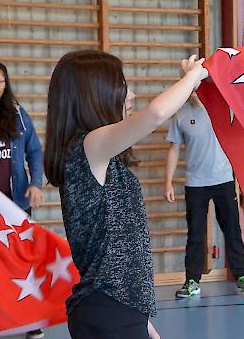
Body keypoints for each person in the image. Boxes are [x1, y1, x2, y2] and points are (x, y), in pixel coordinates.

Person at [44, 51, 205, 339]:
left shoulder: (100, 156)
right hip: (108, 311)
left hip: (119, 310)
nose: (131, 95)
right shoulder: (88, 147)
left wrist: (141, 319)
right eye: (123, 85)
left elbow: (119, 245)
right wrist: (193, 78)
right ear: (95, 93)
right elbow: (156, 113)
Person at [0, 61, 45, 339]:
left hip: (14, 204)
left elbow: (35, 152)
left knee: (22, 262)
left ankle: (31, 321)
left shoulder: (18, 116)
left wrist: (36, 184)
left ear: (6, 84)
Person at [163, 93, 244, 298]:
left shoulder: (225, 110)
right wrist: (168, 182)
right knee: (195, 234)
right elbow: (173, 149)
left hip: (223, 180)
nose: (196, 90)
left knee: (232, 229)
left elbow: (241, 141)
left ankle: (241, 276)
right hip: (196, 183)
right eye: (192, 85)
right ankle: (192, 281)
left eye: (200, 85)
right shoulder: (181, 115)